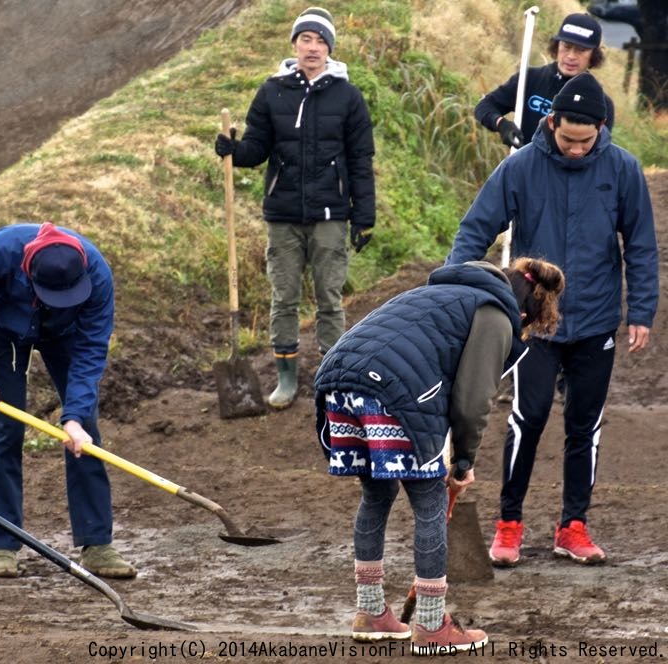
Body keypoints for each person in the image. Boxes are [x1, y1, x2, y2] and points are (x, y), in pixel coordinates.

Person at [447, 72, 659, 566]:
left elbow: (643, 246)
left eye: (587, 140)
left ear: (601, 128)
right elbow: (475, 227)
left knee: (585, 424)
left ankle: (573, 527)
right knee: (529, 416)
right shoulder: (520, 167)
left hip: (597, 319)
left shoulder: (623, 169)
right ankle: (509, 523)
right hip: (534, 323)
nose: (577, 148)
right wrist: (457, 290)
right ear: (550, 122)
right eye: (568, 139)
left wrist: (641, 310)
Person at [314, 258, 564, 654]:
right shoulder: (495, 315)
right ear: (525, 312)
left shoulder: (437, 294)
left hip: (338, 380)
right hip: (392, 389)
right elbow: (471, 401)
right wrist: (462, 463)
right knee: (429, 501)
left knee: (376, 495)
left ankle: (371, 612)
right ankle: (431, 625)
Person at [214, 6, 375, 410]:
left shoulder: (348, 97)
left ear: (330, 49)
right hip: (283, 215)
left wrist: (364, 217)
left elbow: (360, 160)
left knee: (329, 299)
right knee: (283, 297)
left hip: (330, 215)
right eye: (306, 38)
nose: (313, 47)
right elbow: (257, 147)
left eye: (321, 41)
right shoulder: (272, 91)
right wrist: (234, 150)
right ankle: (286, 381)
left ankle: (333, 378)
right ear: (294, 44)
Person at [0, 222, 136, 580]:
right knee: (4, 432)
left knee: (84, 433)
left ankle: (97, 544)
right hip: (5, 332)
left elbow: (91, 348)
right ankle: (3, 544)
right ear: (29, 270)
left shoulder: (98, 276)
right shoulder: (2, 252)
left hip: (66, 334)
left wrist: (74, 416)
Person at [475, 12, 615, 150]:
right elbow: (484, 106)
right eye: (566, 46)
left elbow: (599, 151)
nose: (571, 56)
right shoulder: (529, 79)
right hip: (523, 168)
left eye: (581, 50)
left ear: (593, 55)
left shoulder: (602, 103)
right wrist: (502, 124)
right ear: (557, 46)